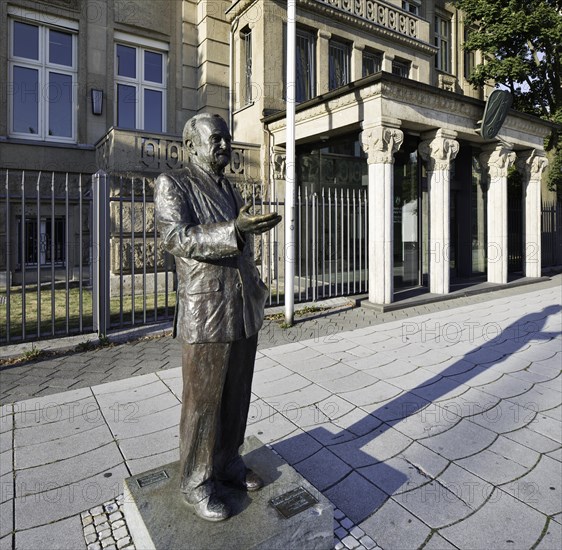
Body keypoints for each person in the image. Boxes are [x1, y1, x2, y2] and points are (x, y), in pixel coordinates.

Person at [154, 113, 281, 522]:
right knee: (203, 402)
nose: (225, 146)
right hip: (206, 309)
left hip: (241, 306)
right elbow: (178, 238)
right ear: (191, 145)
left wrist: (246, 238)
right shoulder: (173, 184)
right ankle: (195, 480)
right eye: (216, 140)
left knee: (236, 394)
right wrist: (235, 229)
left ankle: (227, 461)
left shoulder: (227, 187)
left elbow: (236, 240)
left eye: (227, 138)